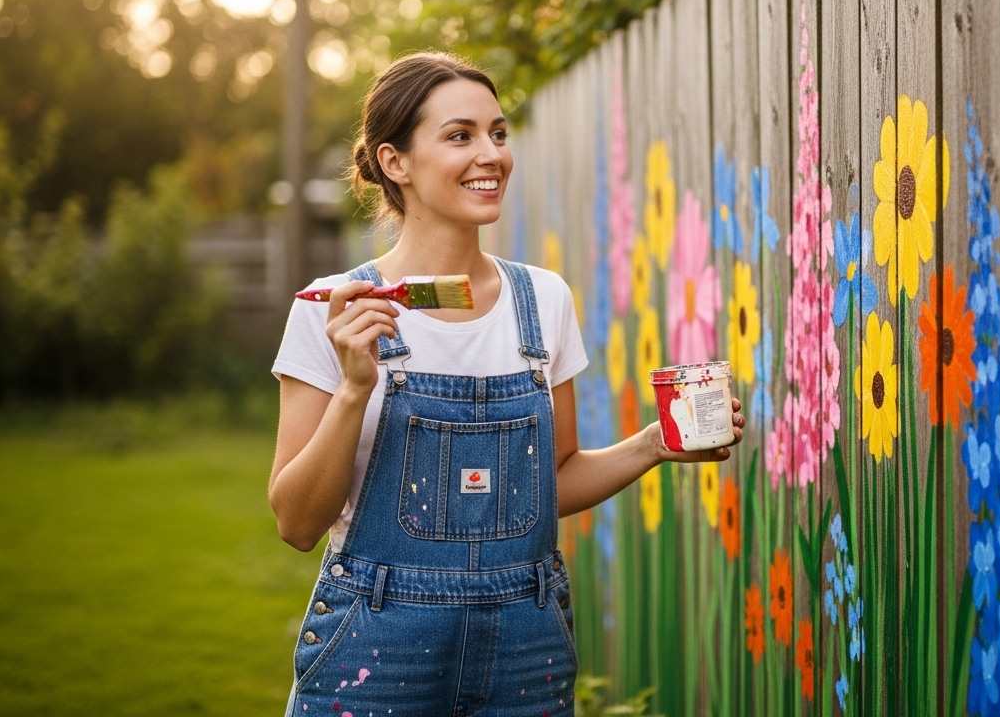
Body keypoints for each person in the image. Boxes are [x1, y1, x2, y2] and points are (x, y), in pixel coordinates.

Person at [267, 51, 745, 716]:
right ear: (395, 161)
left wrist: (653, 446)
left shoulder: (542, 300)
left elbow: (552, 482)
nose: (490, 153)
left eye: (497, 133)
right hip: (376, 646)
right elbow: (295, 521)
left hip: (526, 645)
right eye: (460, 135)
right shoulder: (333, 309)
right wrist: (353, 388)